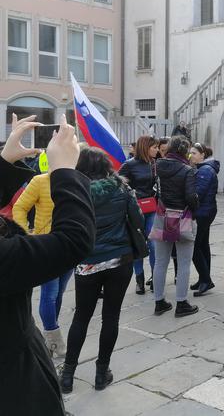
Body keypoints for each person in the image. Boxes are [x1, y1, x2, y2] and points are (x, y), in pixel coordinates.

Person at [1, 114, 95, 415]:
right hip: (17, 384)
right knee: (51, 295)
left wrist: (5, 161)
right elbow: (74, 241)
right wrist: (65, 171)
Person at [60, 147, 143, 394]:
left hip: (87, 261)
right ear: (105, 165)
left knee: (81, 317)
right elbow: (137, 220)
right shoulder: (122, 188)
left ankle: (68, 375)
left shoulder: (75, 192)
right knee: (111, 316)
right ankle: (100, 373)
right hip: (120, 259)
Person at [13, 161, 73, 358]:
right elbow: (20, 208)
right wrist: (26, 234)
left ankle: (49, 334)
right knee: (49, 293)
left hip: (69, 246)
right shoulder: (40, 180)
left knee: (59, 292)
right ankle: (54, 339)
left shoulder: (76, 180)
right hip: (47, 246)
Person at [153, 136, 200, 317]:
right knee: (184, 263)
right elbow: (190, 196)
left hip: (162, 216)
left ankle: (159, 302)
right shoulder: (187, 169)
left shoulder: (158, 165)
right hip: (182, 218)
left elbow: (155, 189)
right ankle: (181, 303)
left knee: (160, 262)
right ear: (185, 151)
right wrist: (196, 203)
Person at [119, 135, 159, 294]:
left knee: (154, 244)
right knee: (137, 243)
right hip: (135, 210)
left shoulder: (154, 164)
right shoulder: (129, 164)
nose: (157, 150)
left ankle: (156, 278)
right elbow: (118, 182)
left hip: (152, 208)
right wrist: (131, 195)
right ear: (145, 147)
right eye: (154, 147)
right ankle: (139, 280)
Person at [189, 142, 219, 296]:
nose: (191, 155)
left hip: (202, 213)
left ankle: (206, 280)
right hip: (206, 211)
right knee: (203, 245)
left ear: (202, 155)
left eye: (194, 153)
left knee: (194, 247)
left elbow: (197, 193)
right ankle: (204, 278)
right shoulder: (203, 168)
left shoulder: (205, 170)